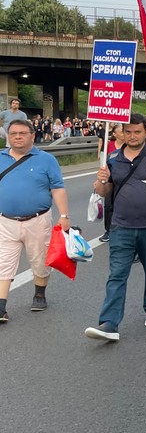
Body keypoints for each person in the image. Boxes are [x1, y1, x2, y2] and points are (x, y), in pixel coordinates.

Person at [84, 114, 146, 341]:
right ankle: (109, 323)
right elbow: (103, 192)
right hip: (121, 226)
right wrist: (101, 181)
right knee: (117, 274)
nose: (133, 136)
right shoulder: (113, 158)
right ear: (122, 133)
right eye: (128, 132)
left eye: (137, 132)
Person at [0, 119, 71, 322]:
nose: (18, 137)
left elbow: (57, 188)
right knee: (3, 263)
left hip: (37, 220)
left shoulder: (46, 160)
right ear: (8, 136)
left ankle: (39, 293)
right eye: (13, 133)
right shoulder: (0, 158)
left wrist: (64, 215)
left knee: (40, 260)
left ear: (33, 135)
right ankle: (1, 306)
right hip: (5, 221)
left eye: (23, 133)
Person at [98, 123, 125, 243]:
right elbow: (104, 163)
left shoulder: (129, 146)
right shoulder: (109, 146)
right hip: (110, 179)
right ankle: (108, 230)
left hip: (123, 180)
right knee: (108, 205)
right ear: (114, 134)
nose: (123, 134)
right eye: (120, 132)